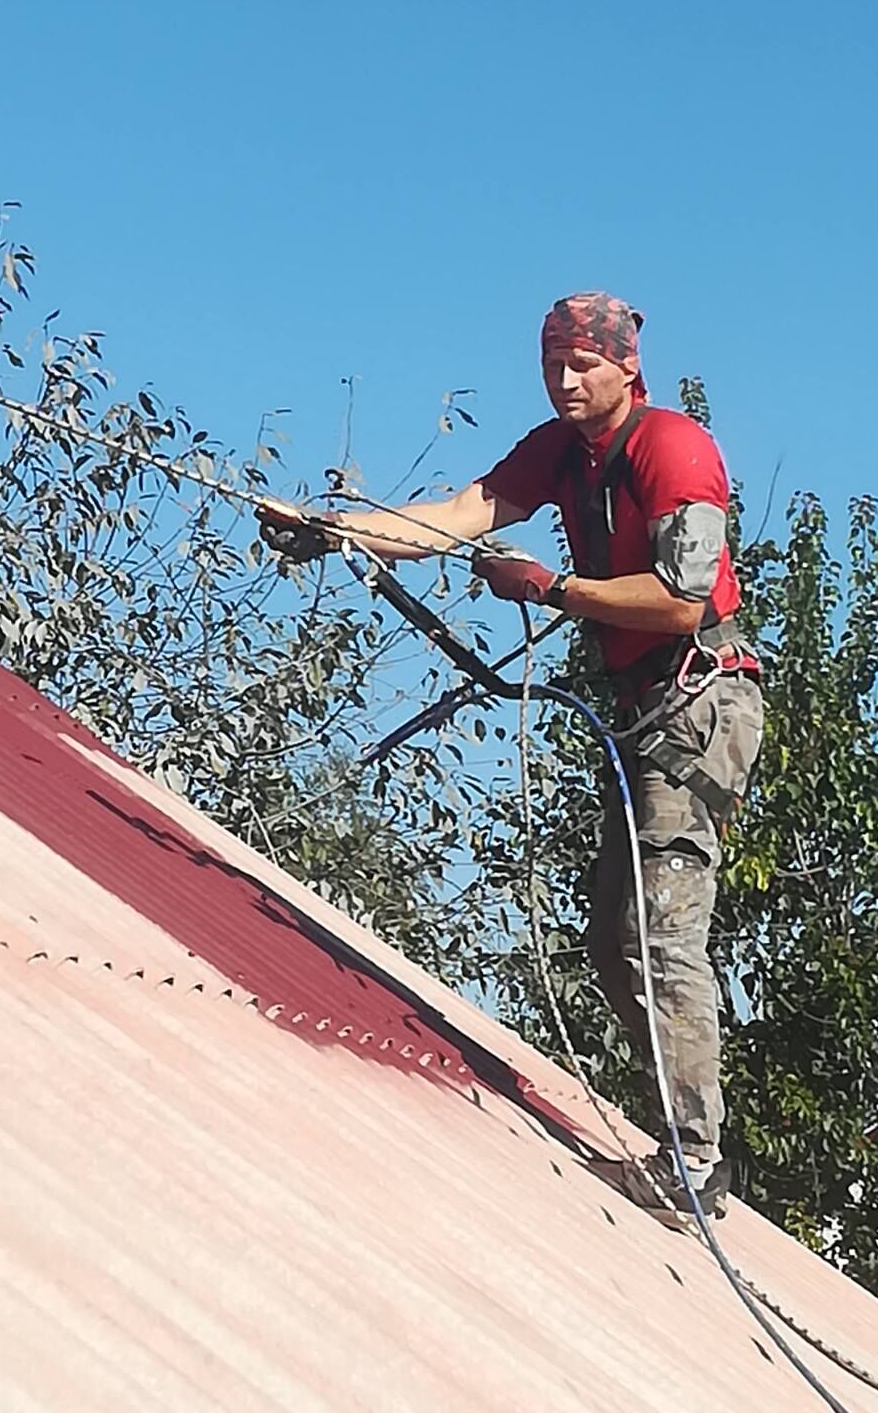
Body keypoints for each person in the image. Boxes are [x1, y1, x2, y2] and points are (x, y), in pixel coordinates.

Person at [258, 292, 763, 1216]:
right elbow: (461, 513)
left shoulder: (673, 448)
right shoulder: (557, 453)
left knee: (659, 935)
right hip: (646, 706)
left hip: (702, 702)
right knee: (612, 949)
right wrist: (332, 531)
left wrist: (554, 587)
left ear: (626, 368)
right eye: (552, 364)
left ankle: (696, 1162)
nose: (565, 380)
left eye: (583, 364)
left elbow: (684, 604)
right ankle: (679, 1133)